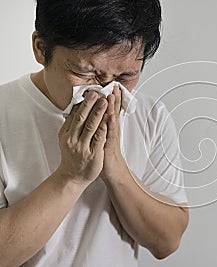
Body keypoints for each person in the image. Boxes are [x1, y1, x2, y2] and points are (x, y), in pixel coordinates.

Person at [0, 0, 189, 266]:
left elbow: (166, 242)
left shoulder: (151, 116)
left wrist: (116, 169)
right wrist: (71, 176)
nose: (106, 92)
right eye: (85, 73)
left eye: (125, 76)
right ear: (41, 49)